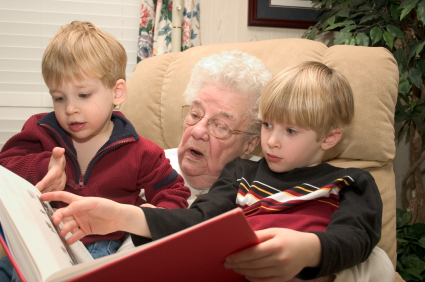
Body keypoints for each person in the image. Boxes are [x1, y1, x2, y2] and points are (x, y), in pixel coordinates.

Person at [40, 56, 394, 282]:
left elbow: (365, 249)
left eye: (221, 125)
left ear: (249, 142)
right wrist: (122, 215)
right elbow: (198, 223)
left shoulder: (349, 182)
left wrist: (311, 256)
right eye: (194, 114)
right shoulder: (169, 164)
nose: (196, 130)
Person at [0, 20, 189, 269]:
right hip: (41, 243)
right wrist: (43, 167)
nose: (70, 109)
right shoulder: (40, 130)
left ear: (117, 92)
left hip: (101, 247)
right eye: (59, 97)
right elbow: (5, 168)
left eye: (84, 95)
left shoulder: (141, 151)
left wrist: (146, 217)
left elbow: (175, 195)